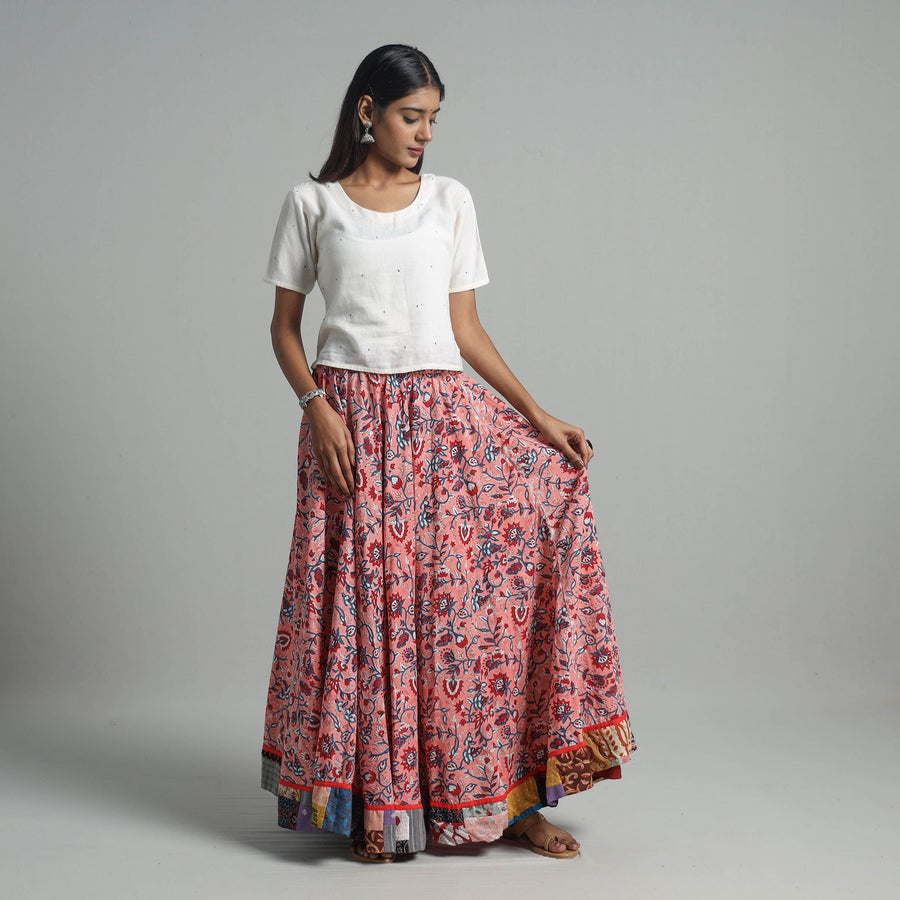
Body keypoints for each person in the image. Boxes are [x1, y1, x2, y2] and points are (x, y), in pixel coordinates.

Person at [259, 43, 636, 864]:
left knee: (465, 617)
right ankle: (376, 808)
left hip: (442, 425)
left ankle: (510, 801)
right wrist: (316, 408)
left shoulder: (450, 201)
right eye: (411, 116)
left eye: (433, 118)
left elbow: (464, 330)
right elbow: (285, 329)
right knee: (365, 616)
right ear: (368, 111)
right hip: (348, 425)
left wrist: (537, 416)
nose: (425, 133)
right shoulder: (312, 203)